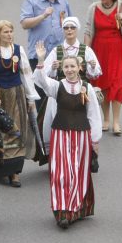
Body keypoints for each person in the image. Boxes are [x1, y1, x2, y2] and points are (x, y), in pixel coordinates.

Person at [33, 41, 101, 229]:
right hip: (61, 135)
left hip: (81, 135)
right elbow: (40, 80)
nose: (70, 69)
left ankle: (75, 209)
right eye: (66, 66)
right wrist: (40, 59)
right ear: (62, 68)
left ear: (79, 68)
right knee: (61, 173)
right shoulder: (57, 86)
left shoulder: (86, 87)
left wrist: (95, 139)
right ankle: (62, 210)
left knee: (78, 173)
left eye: (73, 66)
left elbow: (93, 113)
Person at [0, 20, 39, 187]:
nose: (9, 35)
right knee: (0, 131)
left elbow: (27, 75)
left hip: (16, 94)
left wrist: (30, 98)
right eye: (6, 32)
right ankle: (1, 167)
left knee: (16, 130)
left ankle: (14, 173)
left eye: (11, 31)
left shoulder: (18, 50)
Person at [84, 0, 122, 136]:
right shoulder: (93, 8)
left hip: (118, 50)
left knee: (118, 83)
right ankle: (106, 119)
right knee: (102, 83)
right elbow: (88, 29)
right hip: (99, 50)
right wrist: (86, 52)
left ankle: (116, 121)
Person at [40, 16, 101, 151]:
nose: (69, 30)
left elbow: (96, 73)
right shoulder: (57, 50)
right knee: (59, 120)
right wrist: (53, 68)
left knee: (85, 119)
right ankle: (59, 152)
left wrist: (92, 66)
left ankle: (84, 150)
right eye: (66, 28)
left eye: (72, 27)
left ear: (77, 29)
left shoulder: (86, 50)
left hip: (82, 93)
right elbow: (43, 74)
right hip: (61, 94)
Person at [20, 0, 72, 75]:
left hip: (59, 56)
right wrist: (43, 16)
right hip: (39, 56)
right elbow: (24, 24)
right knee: (40, 89)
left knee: (60, 89)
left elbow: (70, 23)